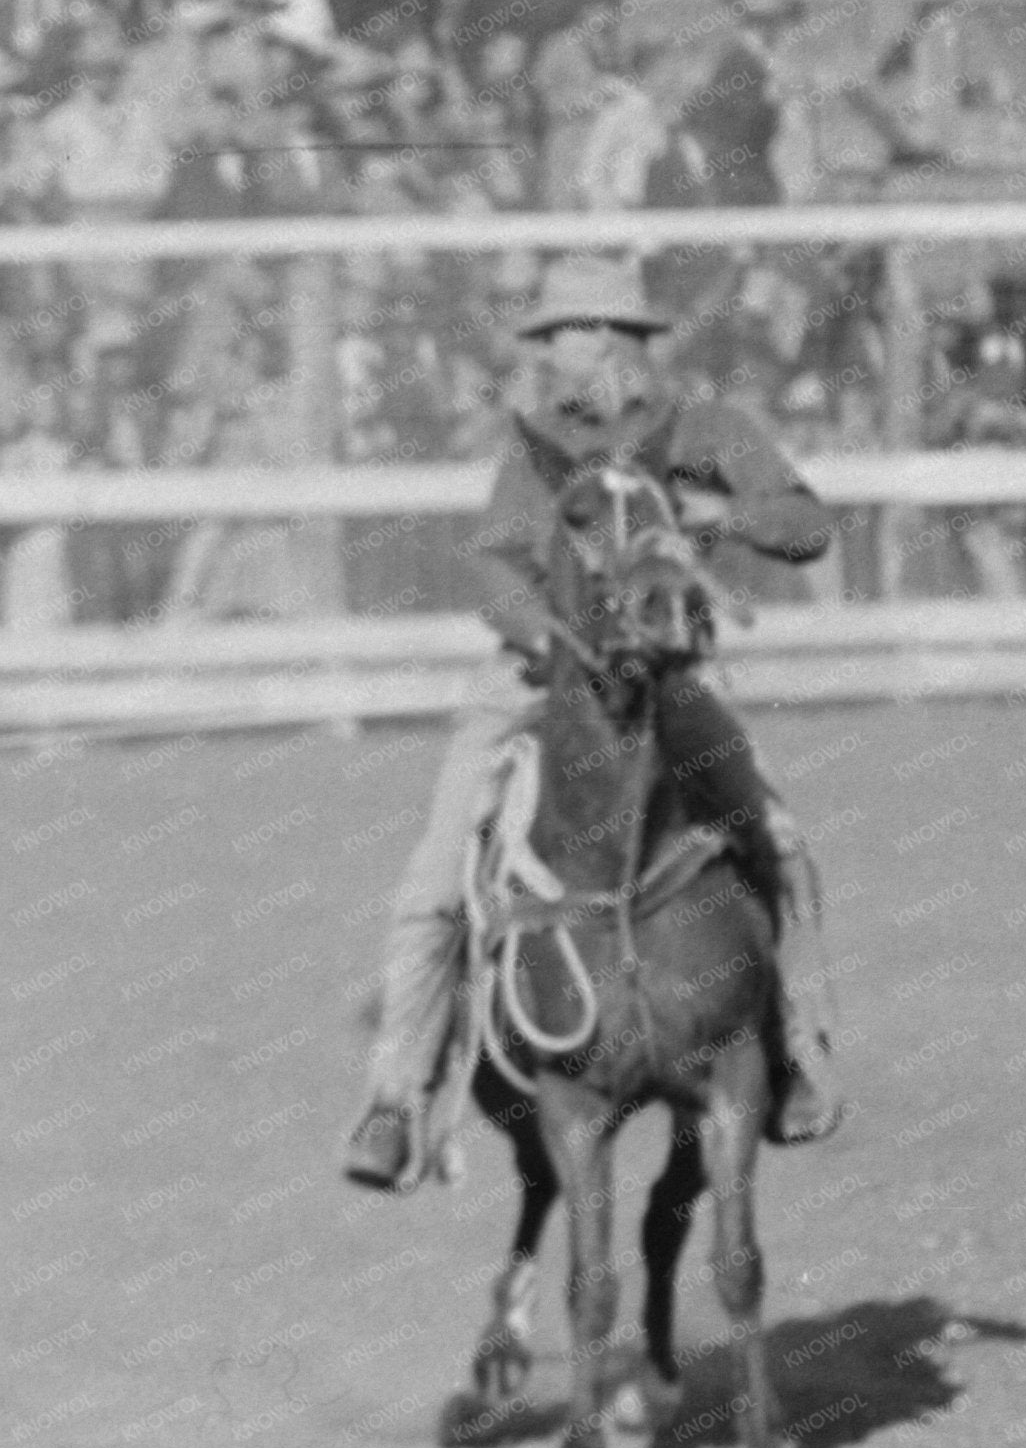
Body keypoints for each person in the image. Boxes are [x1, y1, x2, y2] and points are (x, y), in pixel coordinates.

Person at [342, 256, 847, 1196]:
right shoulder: (537, 444)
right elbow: (495, 569)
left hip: (669, 686)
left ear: (615, 338)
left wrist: (721, 511)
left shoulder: (705, 431)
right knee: (437, 885)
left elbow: (805, 523)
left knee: (778, 844)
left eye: (565, 336)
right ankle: (396, 1098)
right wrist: (550, 634)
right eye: (551, 342)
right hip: (536, 687)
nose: (555, 358)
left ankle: (796, 1052)